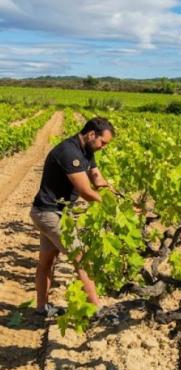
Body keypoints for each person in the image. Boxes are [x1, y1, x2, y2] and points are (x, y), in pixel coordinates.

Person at [30, 117, 114, 317]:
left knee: (47, 261)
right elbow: (85, 191)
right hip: (49, 214)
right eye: (103, 143)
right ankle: (97, 310)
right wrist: (113, 206)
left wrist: (109, 189)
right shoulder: (69, 152)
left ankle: (41, 308)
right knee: (81, 259)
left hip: (49, 212)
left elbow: (95, 176)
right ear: (91, 134)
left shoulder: (87, 150)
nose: (103, 147)